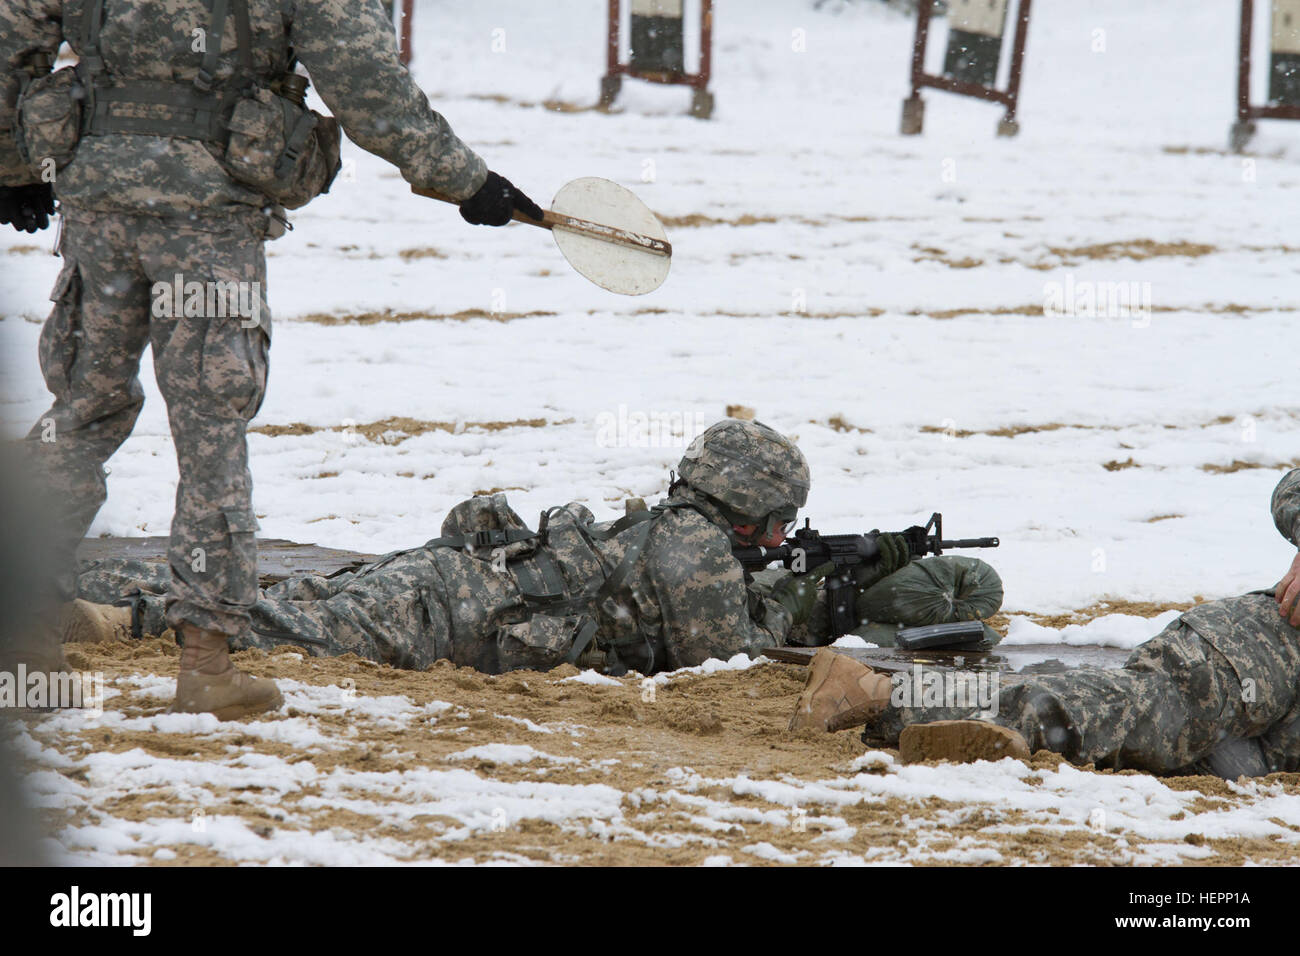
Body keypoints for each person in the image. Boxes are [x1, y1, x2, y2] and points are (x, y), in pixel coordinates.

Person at [1, 0, 544, 720]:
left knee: (81, 412)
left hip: (99, 198)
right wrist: (465, 180)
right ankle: (205, 664)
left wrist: (14, 165)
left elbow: (13, 35)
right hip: (209, 212)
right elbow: (363, 80)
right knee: (210, 432)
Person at [65, 419, 837, 681]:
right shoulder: (698, 550)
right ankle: (119, 621)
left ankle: (78, 578)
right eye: (774, 522)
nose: (776, 539)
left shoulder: (664, 526)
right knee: (294, 631)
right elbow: (721, 662)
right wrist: (801, 609)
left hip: (450, 577)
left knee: (299, 601)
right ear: (742, 504)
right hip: (451, 617)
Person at [792, 468, 1300, 778]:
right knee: (1144, 712)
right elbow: (1291, 490)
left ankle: (970, 718)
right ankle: (881, 695)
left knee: (1141, 747)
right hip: (1278, 640)